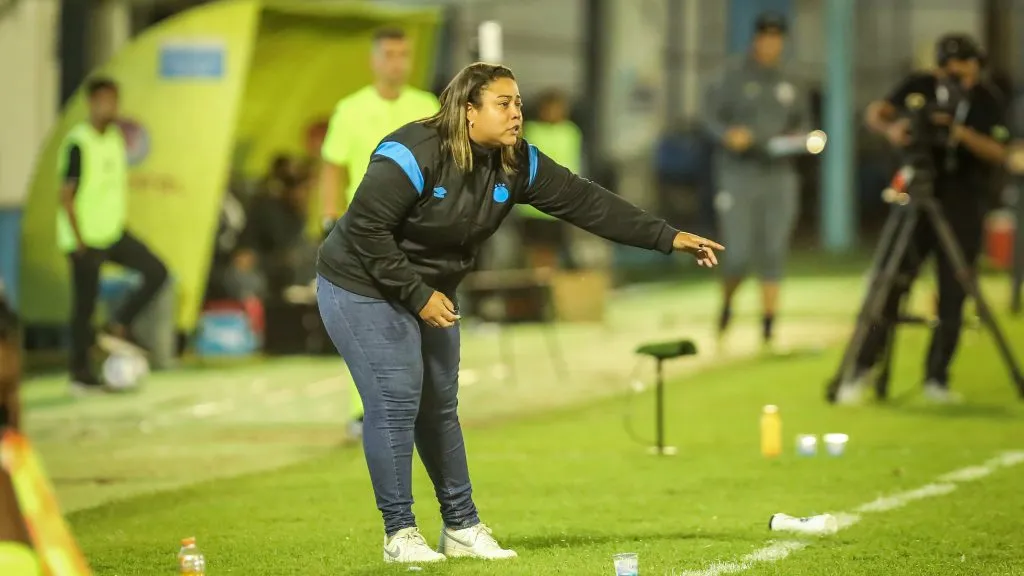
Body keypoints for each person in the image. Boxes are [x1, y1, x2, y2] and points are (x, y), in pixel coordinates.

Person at [315, 62, 723, 564]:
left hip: (430, 292)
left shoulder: (515, 161)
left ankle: (461, 527)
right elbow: (364, 233)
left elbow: (585, 201)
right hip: (362, 283)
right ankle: (400, 533)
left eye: (519, 104)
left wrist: (669, 236)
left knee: (439, 407)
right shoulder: (410, 153)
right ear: (468, 112)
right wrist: (417, 293)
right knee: (397, 398)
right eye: (503, 104)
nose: (516, 114)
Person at [835, 33, 1009, 404]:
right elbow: (876, 113)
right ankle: (862, 370)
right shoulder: (920, 85)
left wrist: (958, 133)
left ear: (977, 66)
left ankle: (937, 378)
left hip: (963, 200)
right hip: (917, 195)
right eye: (947, 71)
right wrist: (893, 129)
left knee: (954, 291)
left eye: (962, 72)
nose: (954, 78)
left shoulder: (987, 99)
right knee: (889, 284)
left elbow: (999, 151)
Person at [318, 26, 440, 438]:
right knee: (366, 320)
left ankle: (416, 408)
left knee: (418, 317)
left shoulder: (426, 107)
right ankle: (363, 410)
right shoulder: (350, 109)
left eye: (403, 54)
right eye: (388, 54)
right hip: (364, 232)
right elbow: (332, 165)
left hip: (418, 228)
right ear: (374, 60)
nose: (396, 62)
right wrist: (328, 218)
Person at [703, 12, 810, 350]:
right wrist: (727, 135)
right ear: (755, 39)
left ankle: (767, 328)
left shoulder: (792, 82)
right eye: (765, 37)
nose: (770, 44)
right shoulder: (731, 77)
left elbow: (805, 126)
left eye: (776, 38)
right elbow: (709, 118)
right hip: (739, 173)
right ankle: (727, 306)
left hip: (779, 174)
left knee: (774, 250)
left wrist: (800, 139)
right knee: (737, 252)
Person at [58, 77, 169, 393]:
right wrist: (78, 241)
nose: (110, 107)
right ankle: (79, 375)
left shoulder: (115, 139)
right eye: (104, 101)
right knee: (84, 307)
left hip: (112, 233)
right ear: (91, 103)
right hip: (84, 240)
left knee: (156, 271)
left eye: (114, 101)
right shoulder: (79, 142)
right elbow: (66, 194)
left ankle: (119, 322)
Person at [518, 88, 584, 270]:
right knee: (534, 251)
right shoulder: (531, 130)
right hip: (532, 207)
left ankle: (549, 286)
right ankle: (536, 287)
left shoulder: (571, 132)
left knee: (555, 251)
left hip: (560, 203)